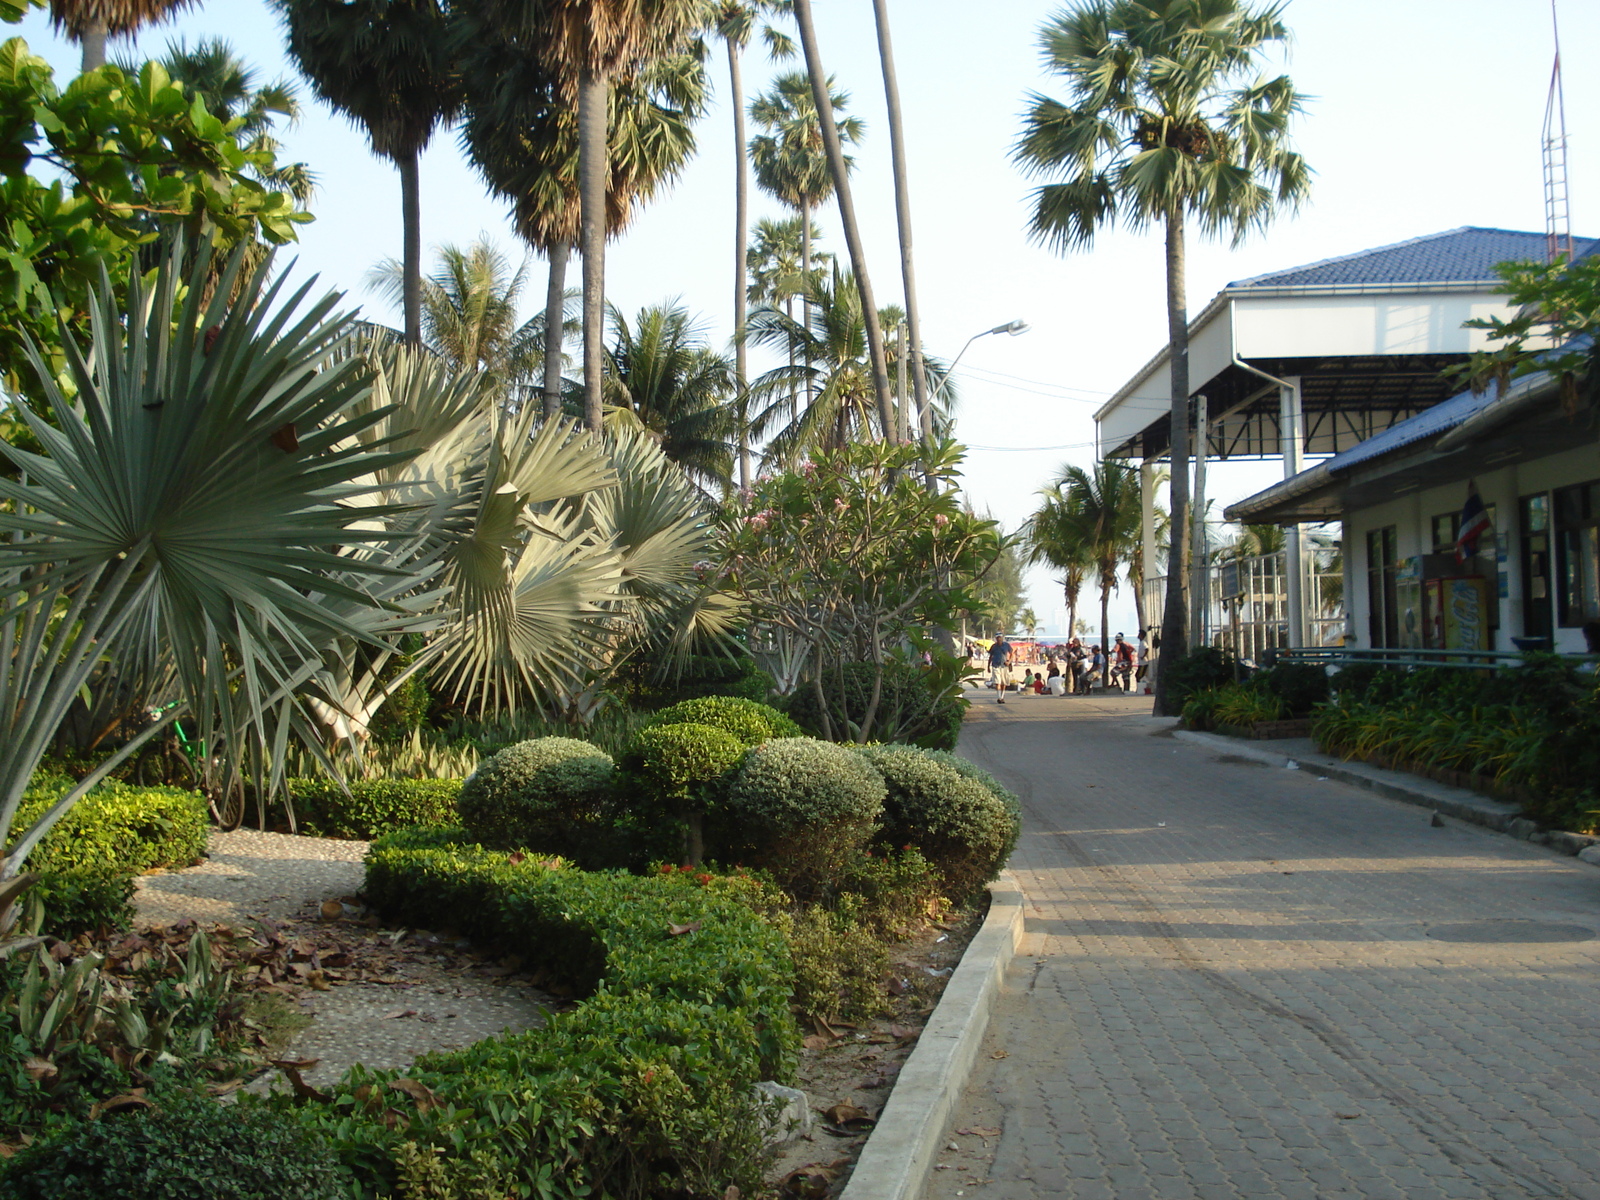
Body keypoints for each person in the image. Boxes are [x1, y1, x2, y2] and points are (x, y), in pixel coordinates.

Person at [988, 634, 1014, 704]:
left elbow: (1012, 653)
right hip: (995, 665)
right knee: (997, 682)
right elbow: (990, 656)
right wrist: (988, 666)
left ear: (1002, 638)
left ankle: (1002, 697)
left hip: (1004, 666)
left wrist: (1009, 661)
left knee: (1004, 682)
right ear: (996, 639)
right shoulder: (993, 646)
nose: (999, 639)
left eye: (1000, 638)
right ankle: (999, 697)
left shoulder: (1006, 645)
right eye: (997, 638)